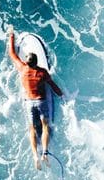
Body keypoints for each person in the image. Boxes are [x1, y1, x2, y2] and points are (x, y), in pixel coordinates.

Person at [7, 30, 63, 170]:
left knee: (32, 129)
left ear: (26, 61)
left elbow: (12, 54)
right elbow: (52, 85)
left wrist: (11, 36)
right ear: (37, 62)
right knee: (45, 127)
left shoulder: (22, 68)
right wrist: (61, 94)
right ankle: (44, 152)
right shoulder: (42, 73)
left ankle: (35, 155)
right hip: (41, 101)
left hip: (29, 102)